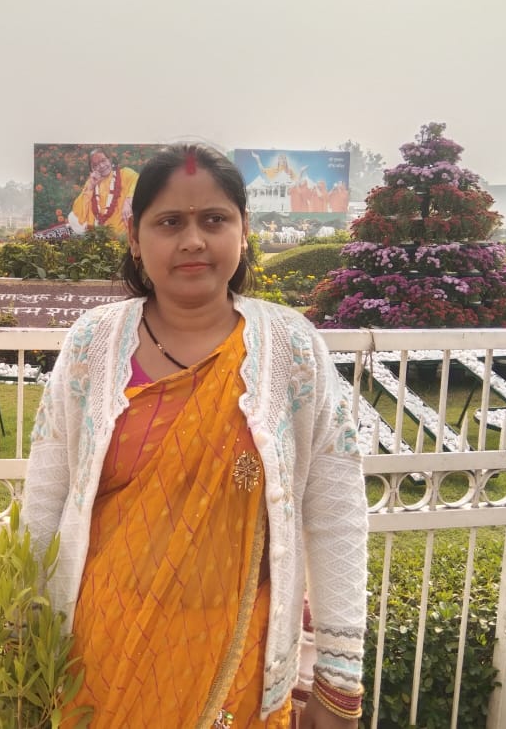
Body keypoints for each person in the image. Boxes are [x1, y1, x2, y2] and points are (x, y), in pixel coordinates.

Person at [23, 143, 367, 727]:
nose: (193, 240)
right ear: (135, 237)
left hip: (237, 661)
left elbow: (337, 513)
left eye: (213, 219)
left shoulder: (292, 349)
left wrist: (338, 681)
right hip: (97, 655)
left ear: (243, 229)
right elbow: (44, 498)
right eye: (169, 223)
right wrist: (21, 643)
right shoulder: (91, 344)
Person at [69, 148, 139, 235]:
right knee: (72, 217)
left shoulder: (125, 173)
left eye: (103, 160)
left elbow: (137, 181)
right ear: (92, 169)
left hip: (122, 229)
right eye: (96, 165)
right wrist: (91, 187)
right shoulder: (92, 182)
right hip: (101, 231)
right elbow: (78, 211)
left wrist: (128, 201)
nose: (101, 166)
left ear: (109, 160)